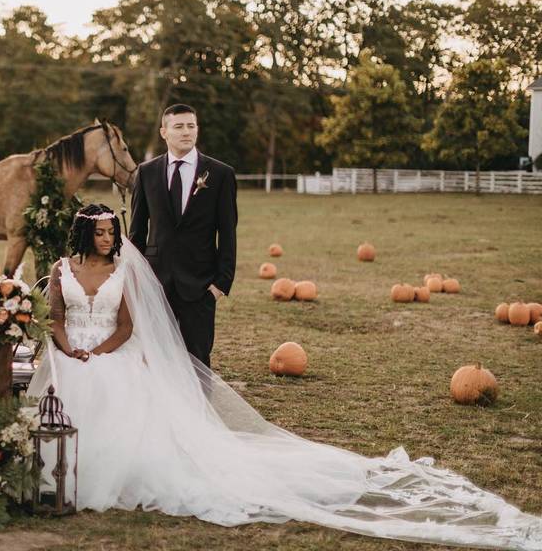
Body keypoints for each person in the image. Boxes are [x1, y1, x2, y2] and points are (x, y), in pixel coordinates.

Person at [28, 203, 542, 550]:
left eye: (112, 231)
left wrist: (101, 350)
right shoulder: (60, 271)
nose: (108, 237)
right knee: (63, 408)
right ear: (81, 235)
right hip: (70, 357)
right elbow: (54, 316)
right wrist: (70, 348)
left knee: (125, 406)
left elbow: (127, 325)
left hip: (109, 354)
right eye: (100, 231)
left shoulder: (122, 271)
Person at [129, 103, 237, 367]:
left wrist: (220, 285)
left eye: (191, 126)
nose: (186, 132)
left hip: (200, 286)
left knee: (197, 362)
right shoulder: (146, 172)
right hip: (155, 283)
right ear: (164, 132)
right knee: (154, 359)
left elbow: (227, 231)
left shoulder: (221, 174)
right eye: (179, 126)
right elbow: (137, 231)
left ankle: (198, 409)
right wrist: (136, 279)